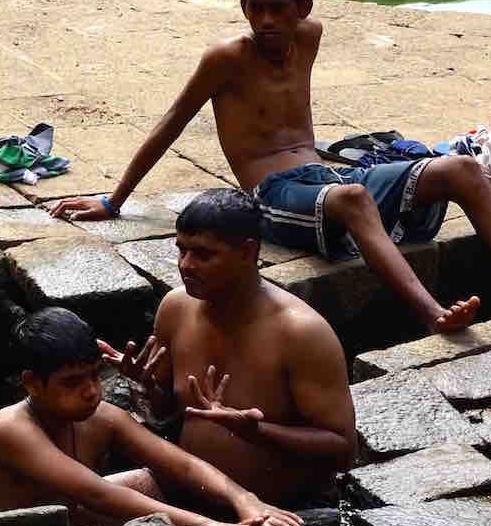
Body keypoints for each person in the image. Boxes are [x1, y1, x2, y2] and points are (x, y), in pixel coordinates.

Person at [51, 0, 491, 335]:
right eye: (255, 8)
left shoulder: (311, 34)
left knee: (462, 169)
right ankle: (432, 315)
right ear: (242, 7)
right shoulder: (226, 58)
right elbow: (172, 122)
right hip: (274, 194)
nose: (265, 21)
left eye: (277, 10)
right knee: (353, 198)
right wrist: (113, 202)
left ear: (302, 9)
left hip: (329, 178)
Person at [0, 307, 305, 526]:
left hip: (62, 522)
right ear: (31, 384)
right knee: (134, 500)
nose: (90, 391)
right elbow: (97, 494)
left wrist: (244, 498)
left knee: (151, 480)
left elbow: (182, 464)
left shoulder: (102, 418)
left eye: (94, 375)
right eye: (72, 383)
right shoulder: (10, 428)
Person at [100, 190, 357, 507]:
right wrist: (147, 387)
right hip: (187, 483)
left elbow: (344, 451)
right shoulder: (176, 308)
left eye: (203, 254)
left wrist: (257, 431)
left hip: (278, 510)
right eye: (181, 250)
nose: (186, 265)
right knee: (76, 502)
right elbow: (167, 415)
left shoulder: (301, 333)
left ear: (247, 252)